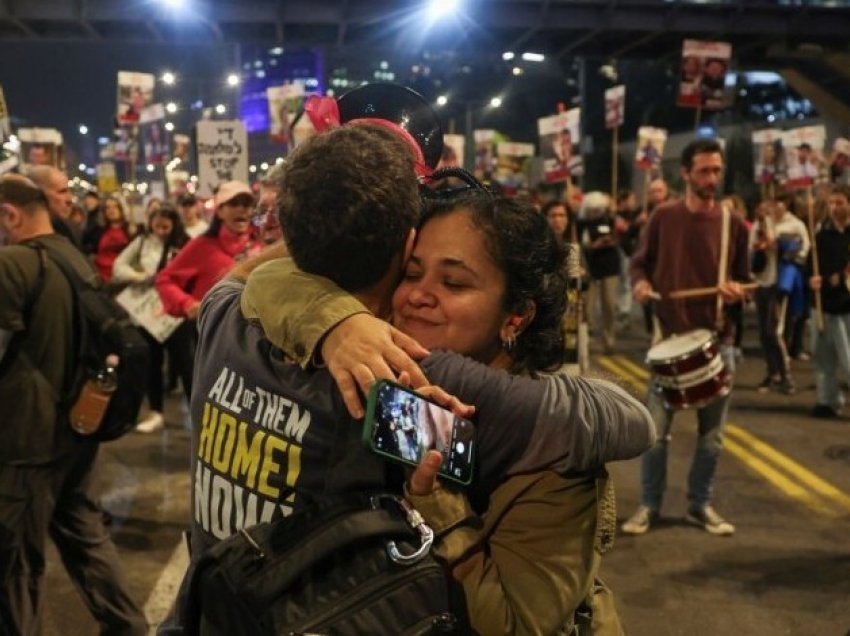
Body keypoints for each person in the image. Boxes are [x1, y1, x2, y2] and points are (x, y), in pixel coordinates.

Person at [174, 123, 653, 633]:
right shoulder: (394, 385)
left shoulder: (230, 316)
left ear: (517, 315)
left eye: (454, 281)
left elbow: (515, 623)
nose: (420, 294)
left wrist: (437, 506)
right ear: (402, 245)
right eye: (412, 271)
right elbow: (621, 420)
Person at [0, 174, 147, 635]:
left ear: (10, 214)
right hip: (77, 427)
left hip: (26, 442)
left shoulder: (14, 263)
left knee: (16, 563)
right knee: (85, 537)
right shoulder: (71, 256)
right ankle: (128, 626)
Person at [624, 138, 749, 537]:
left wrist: (736, 291)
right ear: (685, 173)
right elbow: (640, 265)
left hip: (717, 341)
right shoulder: (664, 216)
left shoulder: (733, 223)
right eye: (703, 171)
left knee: (712, 441)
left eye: (717, 171)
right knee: (655, 436)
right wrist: (642, 285)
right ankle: (649, 505)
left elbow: (744, 280)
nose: (711, 179)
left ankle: (699, 505)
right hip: (669, 344)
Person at [112, 205, 192, 433]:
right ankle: (155, 412)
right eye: (157, 221)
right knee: (152, 364)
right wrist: (141, 277)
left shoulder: (185, 244)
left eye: (167, 221)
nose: (161, 226)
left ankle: (198, 412)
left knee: (186, 365)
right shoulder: (142, 242)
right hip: (148, 313)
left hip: (176, 314)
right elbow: (119, 267)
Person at [155, 180, 260, 321]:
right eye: (234, 204)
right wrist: (187, 304)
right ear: (220, 211)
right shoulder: (202, 245)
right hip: (215, 334)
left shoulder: (262, 244)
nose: (242, 209)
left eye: (247, 204)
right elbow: (165, 279)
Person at [809, 184, 850, 418]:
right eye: (831, 203)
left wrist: (839, 278)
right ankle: (828, 400)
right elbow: (811, 268)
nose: (834, 208)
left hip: (846, 306)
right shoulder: (820, 238)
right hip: (823, 306)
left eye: (840, 203)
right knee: (822, 357)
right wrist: (812, 280)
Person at [26, 165, 78, 247]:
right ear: (39, 194)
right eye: (62, 192)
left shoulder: (68, 230)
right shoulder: (23, 237)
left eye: (69, 191)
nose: (69, 199)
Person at [93, 196, 132, 284]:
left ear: (122, 209)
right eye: (108, 208)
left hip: (122, 280)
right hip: (102, 280)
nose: (111, 210)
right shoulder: (99, 231)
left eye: (115, 207)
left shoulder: (130, 232)